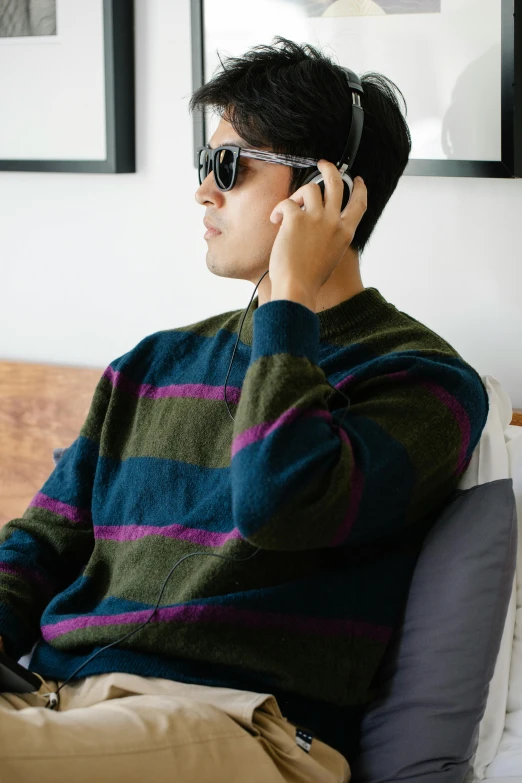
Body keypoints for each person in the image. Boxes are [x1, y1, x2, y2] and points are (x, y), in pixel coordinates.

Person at [0, 36, 488, 783]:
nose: (204, 191)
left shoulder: (424, 382)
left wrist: (288, 299)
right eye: (206, 165)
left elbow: (277, 504)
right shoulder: (151, 363)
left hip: (245, 725)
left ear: (327, 191)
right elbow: (39, 542)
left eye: (229, 166)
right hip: (60, 701)